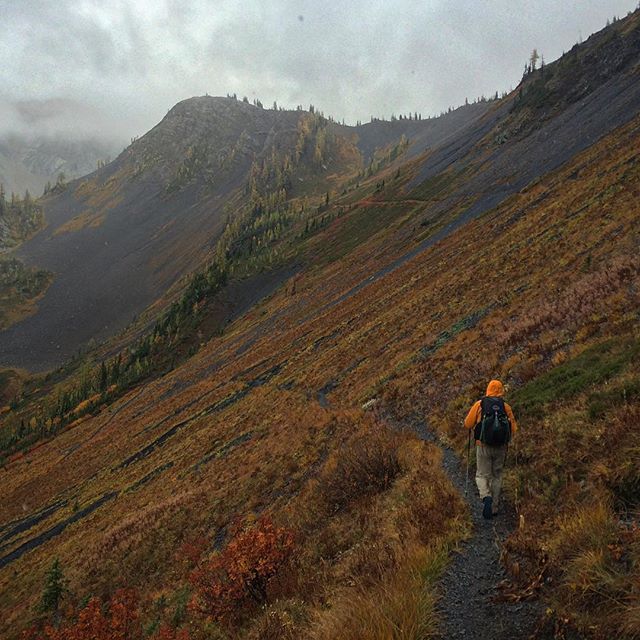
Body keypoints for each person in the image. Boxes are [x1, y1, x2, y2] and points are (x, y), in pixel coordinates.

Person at [464, 379, 517, 519]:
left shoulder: (480, 405)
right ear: (501, 391)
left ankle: (486, 496)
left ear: (488, 390)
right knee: (497, 475)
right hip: (501, 447)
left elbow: (468, 424)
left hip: (483, 446)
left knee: (482, 474)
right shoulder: (505, 407)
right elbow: (514, 429)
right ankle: (494, 507)